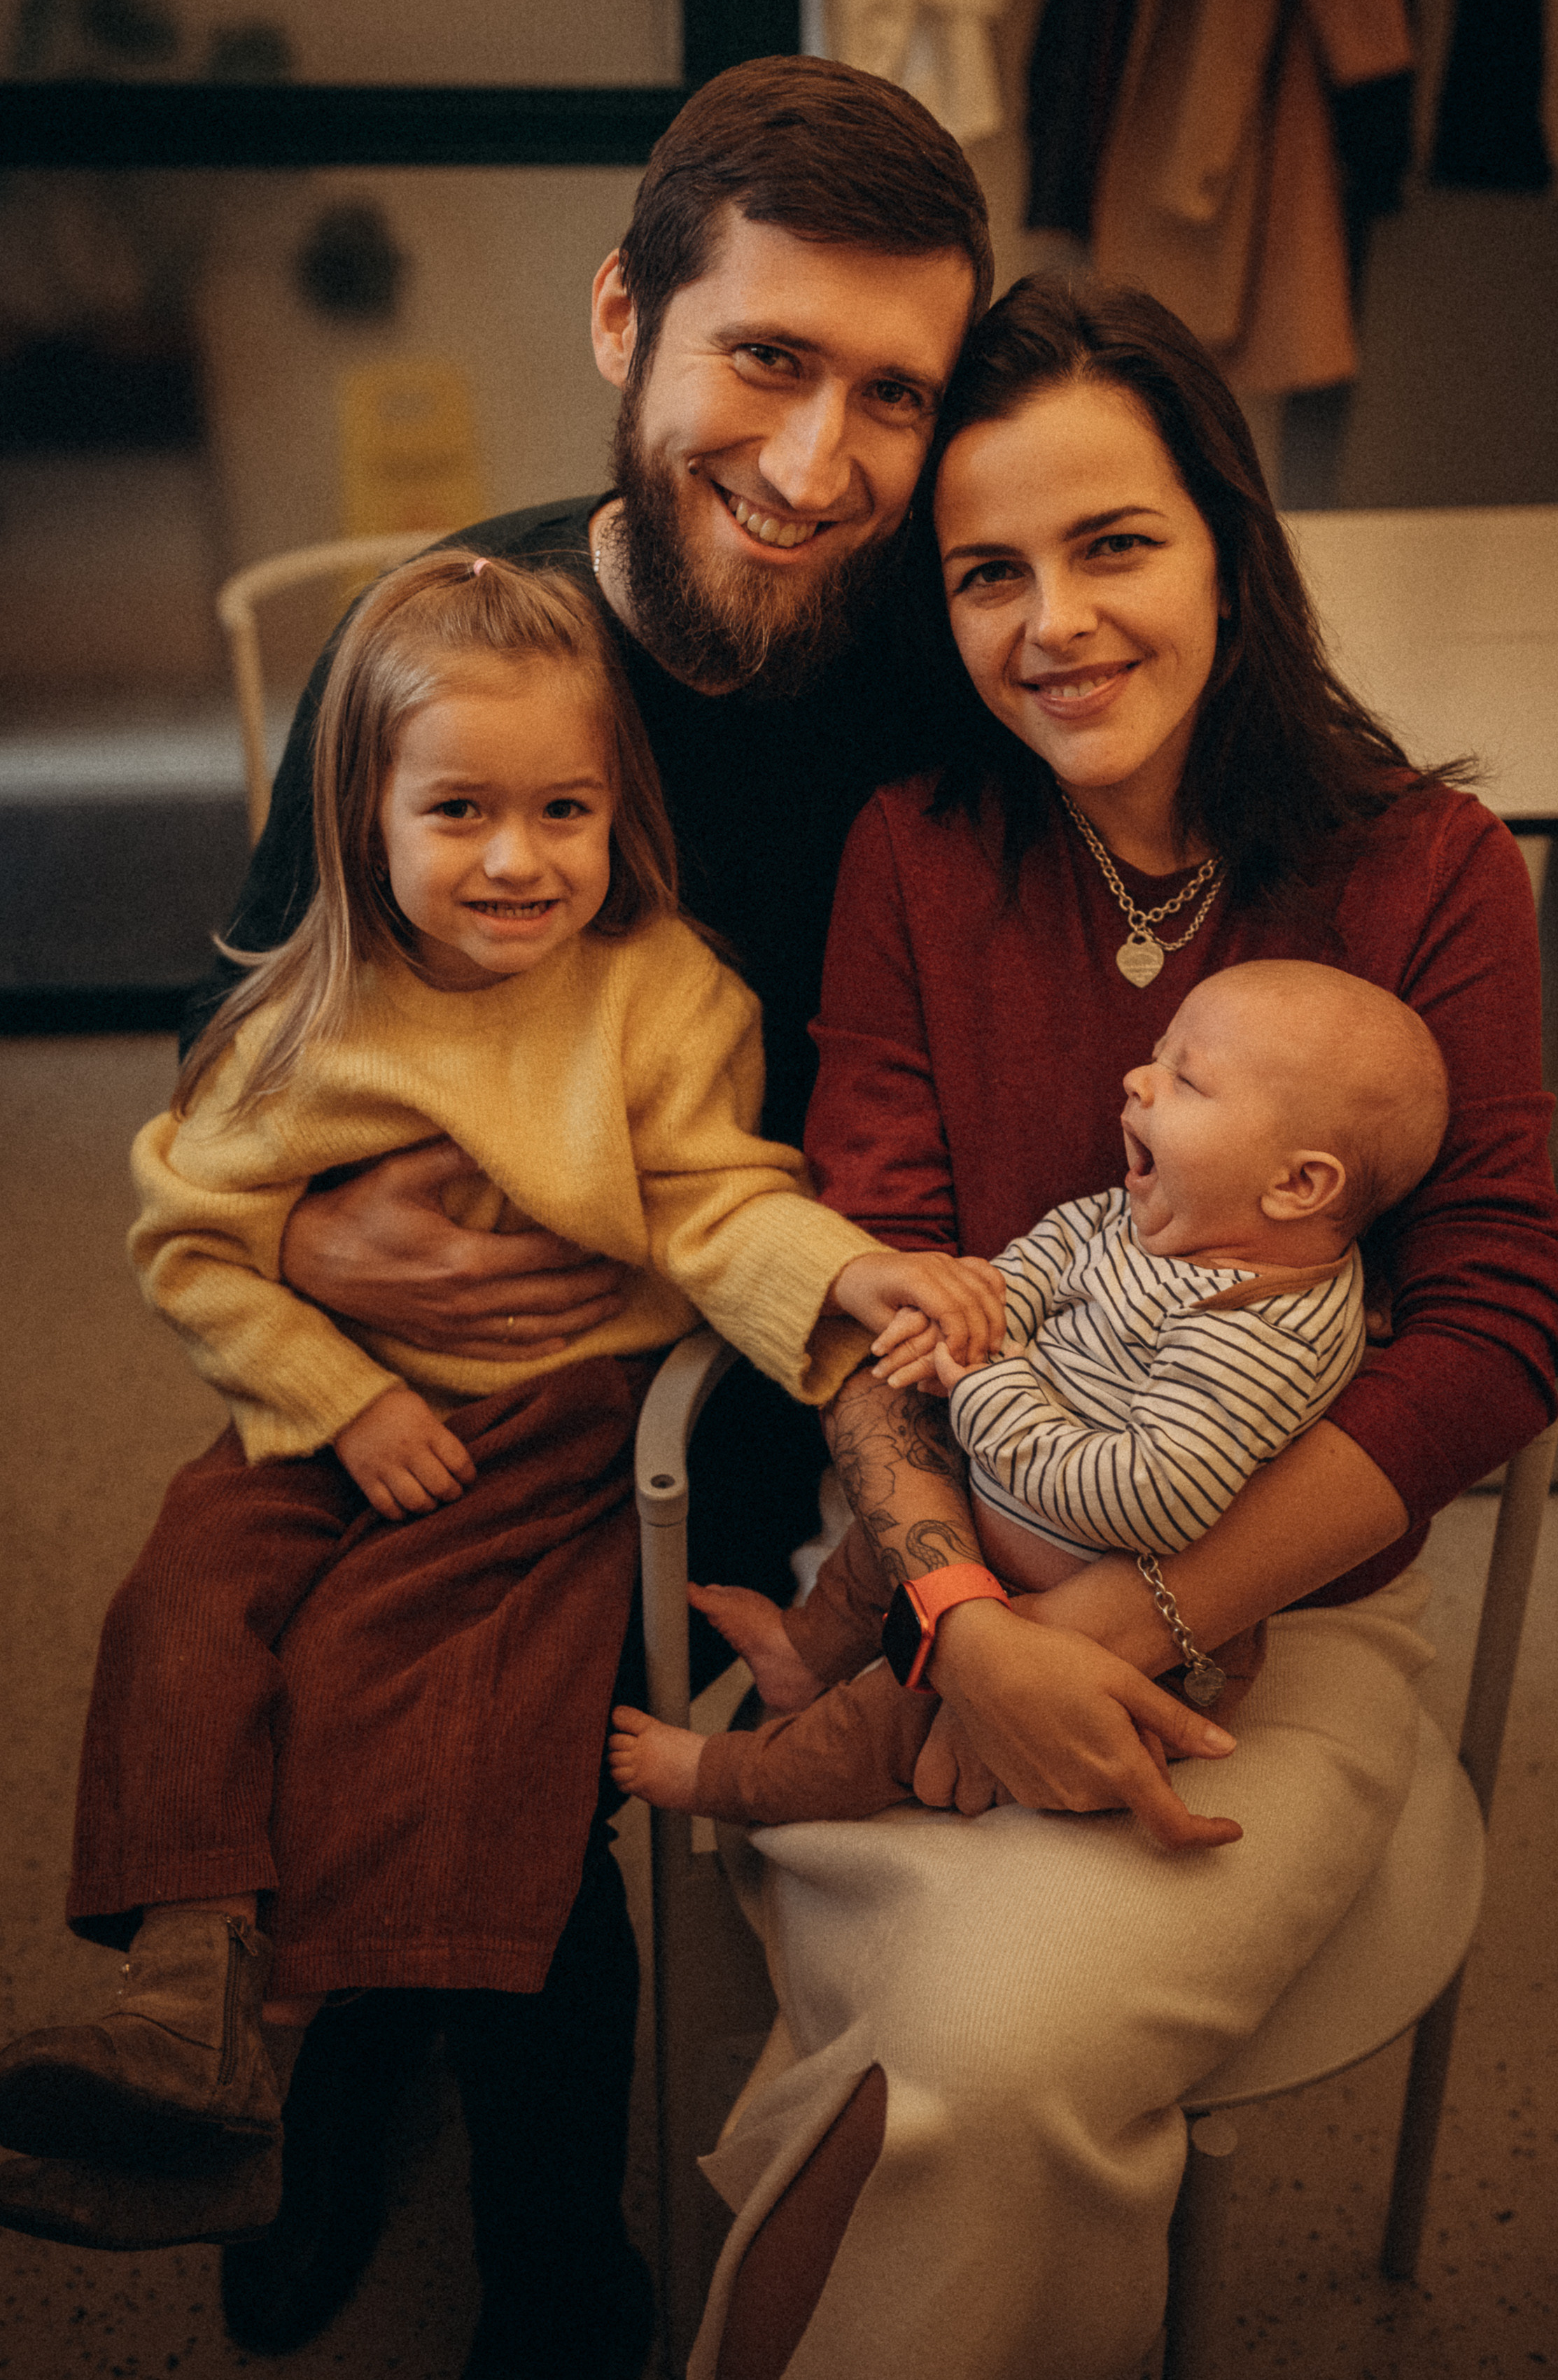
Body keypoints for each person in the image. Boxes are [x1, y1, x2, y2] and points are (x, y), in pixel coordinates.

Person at [115, 55, 995, 2370]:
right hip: (443, 1366)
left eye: (890, 396)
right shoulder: (451, 646)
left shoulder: (955, 692)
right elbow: (239, 1049)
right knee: (264, 1618)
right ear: (625, 319)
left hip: (797, 1364)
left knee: (486, 1722)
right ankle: (345, 2049)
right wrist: (309, 1250)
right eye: (764, 357)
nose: (816, 468)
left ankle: (539, 2230)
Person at [673, 277, 1558, 2380]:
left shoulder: (1426, 864)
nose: (1052, 619)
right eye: (988, 571)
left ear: (1226, 546)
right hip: (943, 1584)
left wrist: (1133, 1618)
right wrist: (969, 1612)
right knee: (969, 2068)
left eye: (1113, 543)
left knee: (969, 2059)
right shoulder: (915, 849)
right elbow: (868, 1262)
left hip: (1287, 1622)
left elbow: (1496, 1324)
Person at [0, 556, 1012, 2358]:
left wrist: (846, 1265)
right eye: (457, 810)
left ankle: (471, 2186)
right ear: (361, 815)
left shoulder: (658, 997)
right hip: (330, 1410)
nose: (517, 858)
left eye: (565, 810)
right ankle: (191, 1991)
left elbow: (716, 1202)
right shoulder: (298, 1013)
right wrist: (338, 1394)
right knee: (182, 1595)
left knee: (435, 1715)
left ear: (619, 812)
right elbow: (191, 1245)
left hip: (555, 1435)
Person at [606, 959, 1452, 1831]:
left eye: (1186, 1077)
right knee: (873, 1557)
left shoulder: (1256, 1332)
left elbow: (1146, 1498)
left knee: (878, 1731)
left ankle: (729, 1775)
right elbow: (1051, 1250)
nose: (1138, 1076)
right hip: (996, 1520)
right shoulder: (1159, 1216)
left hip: (1109, 1613)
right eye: (1158, 1053)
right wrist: (972, 1304)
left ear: (1297, 1184)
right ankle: (798, 1651)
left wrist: (980, 1375)